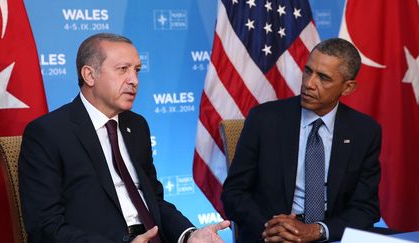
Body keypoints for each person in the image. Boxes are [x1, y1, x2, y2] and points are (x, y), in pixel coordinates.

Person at [19, 33, 229, 243]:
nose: (134, 80)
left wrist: (189, 234)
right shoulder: (48, 133)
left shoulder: (136, 126)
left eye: (137, 70)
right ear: (89, 75)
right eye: (123, 70)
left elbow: (153, 202)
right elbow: (45, 226)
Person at [221, 38, 381, 242]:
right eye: (308, 71)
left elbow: (366, 208)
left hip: (330, 236)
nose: (308, 83)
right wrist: (274, 229)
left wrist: (317, 230)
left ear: (348, 88)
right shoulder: (264, 119)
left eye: (323, 78)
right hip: (271, 236)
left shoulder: (365, 131)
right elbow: (234, 193)